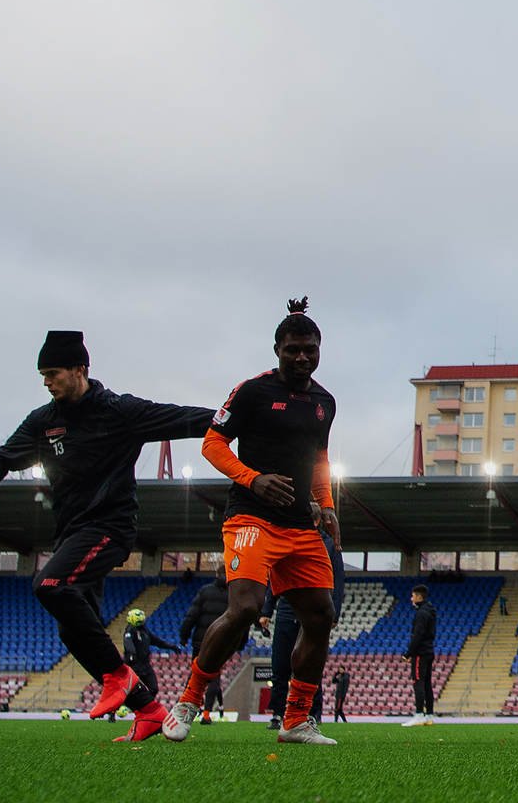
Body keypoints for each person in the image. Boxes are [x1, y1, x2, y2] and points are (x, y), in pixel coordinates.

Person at [0, 329, 212, 743]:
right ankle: (149, 711)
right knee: (70, 627)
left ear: (80, 370)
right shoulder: (44, 422)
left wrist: (239, 417)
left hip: (110, 527)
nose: (47, 382)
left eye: (53, 373)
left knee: (50, 584)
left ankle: (117, 677)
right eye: (42, 375)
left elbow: (186, 418)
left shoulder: (119, 411)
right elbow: (3, 454)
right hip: (71, 534)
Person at [165, 299, 341, 748]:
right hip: (250, 517)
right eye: (293, 349)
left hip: (301, 525)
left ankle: (296, 720)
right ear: (277, 349)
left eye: (310, 349)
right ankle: (187, 702)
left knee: (321, 616)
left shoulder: (324, 403)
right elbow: (213, 442)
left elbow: (319, 458)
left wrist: (328, 505)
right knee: (244, 608)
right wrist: (253, 479)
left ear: (320, 350)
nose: (302, 357)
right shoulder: (252, 392)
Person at [264, 529, 347, 728]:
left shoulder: (329, 544)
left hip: (313, 605)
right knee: (280, 664)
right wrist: (266, 609)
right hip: (286, 606)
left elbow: (338, 577)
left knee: (310, 663)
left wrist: (334, 612)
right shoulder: (289, 538)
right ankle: (277, 713)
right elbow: (275, 572)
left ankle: (312, 712)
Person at [179, 575, 231, 719]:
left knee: (196, 673)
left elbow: (192, 615)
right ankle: (207, 714)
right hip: (221, 642)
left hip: (201, 640)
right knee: (214, 677)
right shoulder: (231, 595)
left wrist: (184, 635)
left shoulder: (205, 591)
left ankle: (185, 708)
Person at [121, 608, 176, 712]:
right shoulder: (130, 630)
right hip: (133, 665)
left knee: (153, 688)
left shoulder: (144, 630)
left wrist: (171, 646)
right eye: (139, 621)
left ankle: (143, 707)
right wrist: (132, 654)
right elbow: (128, 643)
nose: (141, 623)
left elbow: (156, 641)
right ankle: (114, 711)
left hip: (145, 665)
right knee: (127, 689)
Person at [402, 584, 438, 726]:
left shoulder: (421, 613)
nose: (411, 598)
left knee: (418, 681)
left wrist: (408, 653)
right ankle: (429, 715)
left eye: (413, 596)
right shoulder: (430, 611)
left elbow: (418, 634)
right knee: (427, 683)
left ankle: (419, 714)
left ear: (418, 596)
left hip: (420, 653)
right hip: (429, 651)